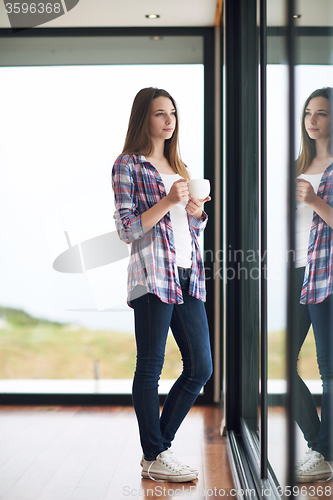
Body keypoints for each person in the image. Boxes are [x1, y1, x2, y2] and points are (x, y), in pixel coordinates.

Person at [111, 87, 213, 482]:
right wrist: (169, 201)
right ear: (144, 118)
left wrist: (196, 213)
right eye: (159, 113)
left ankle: (157, 449)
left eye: (172, 112)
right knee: (151, 367)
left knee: (200, 367)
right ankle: (154, 453)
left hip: (187, 275)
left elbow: (188, 229)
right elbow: (127, 228)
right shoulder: (128, 165)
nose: (168, 120)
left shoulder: (180, 165)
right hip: (152, 276)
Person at [294, 87, 333, 482]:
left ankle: (323, 453)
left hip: (326, 271)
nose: (313, 120)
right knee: (281, 365)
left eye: (321, 113)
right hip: (294, 270)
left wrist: (316, 200)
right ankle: (320, 443)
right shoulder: (298, 164)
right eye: (309, 112)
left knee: (328, 368)